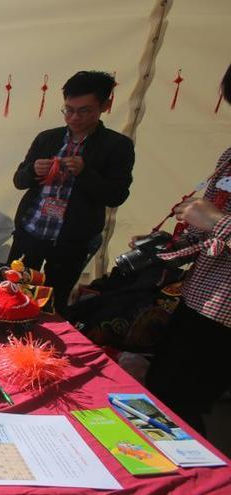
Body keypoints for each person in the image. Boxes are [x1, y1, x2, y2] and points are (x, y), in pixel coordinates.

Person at [144, 63, 231, 435]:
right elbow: (205, 236)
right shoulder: (229, 157)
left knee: (184, 407)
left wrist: (216, 221)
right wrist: (164, 247)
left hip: (225, 318)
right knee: (159, 394)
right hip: (197, 299)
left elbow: (215, 224)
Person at [9, 71, 135, 315]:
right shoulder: (48, 138)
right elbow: (19, 180)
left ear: (105, 106)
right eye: (68, 109)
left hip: (71, 243)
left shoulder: (117, 146)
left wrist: (85, 173)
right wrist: (33, 170)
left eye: (84, 111)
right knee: (13, 292)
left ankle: (41, 350)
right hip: (31, 232)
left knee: (54, 304)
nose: (74, 117)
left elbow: (117, 195)